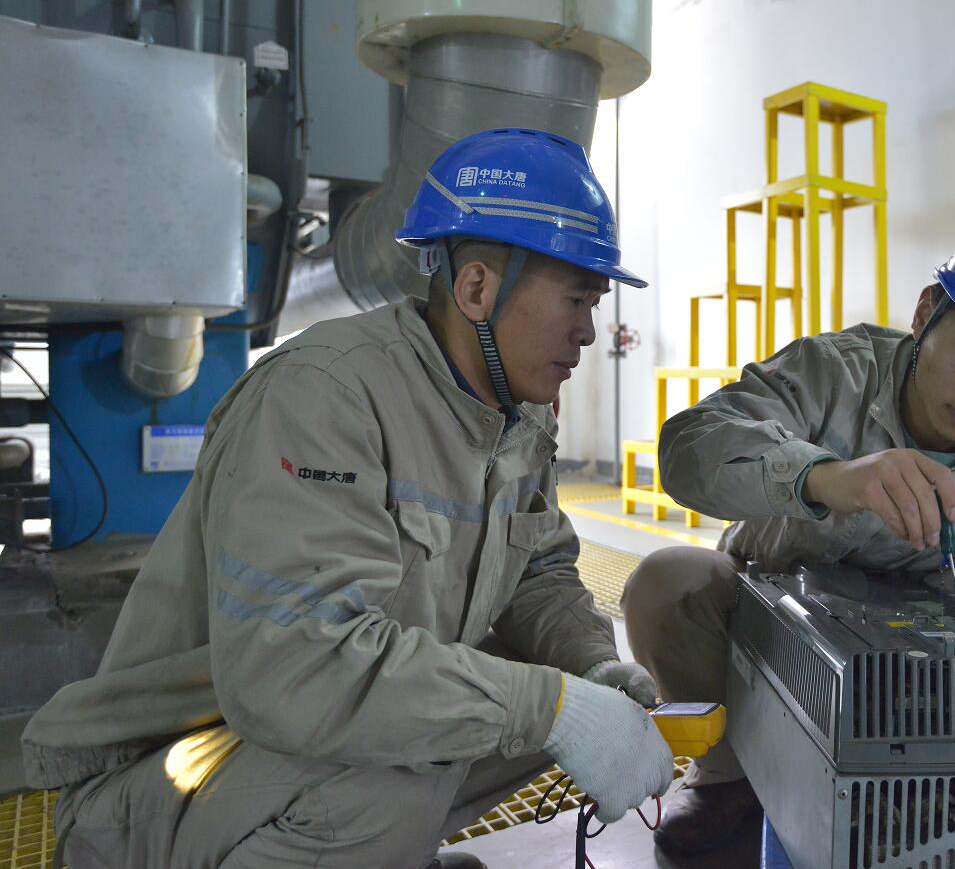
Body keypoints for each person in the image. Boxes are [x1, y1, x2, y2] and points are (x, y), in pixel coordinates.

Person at [22, 128, 673, 869]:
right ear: (476, 289)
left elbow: (539, 575)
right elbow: (296, 667)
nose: (589, 332)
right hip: (169, 777)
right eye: (576, 299)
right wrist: (548, 708)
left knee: (557, 710)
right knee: (421, 761)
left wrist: (593, 669)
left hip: (290, 749)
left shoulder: (517, 419)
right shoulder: (324, 394)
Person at [622, 212, 955, 856]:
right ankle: (730, 782)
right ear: (926, 313)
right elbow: (689, 449)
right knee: (669, 581)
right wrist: (822, 477)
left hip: (924, 678)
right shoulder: (830, 374)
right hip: (774, 631)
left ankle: (944, 785)